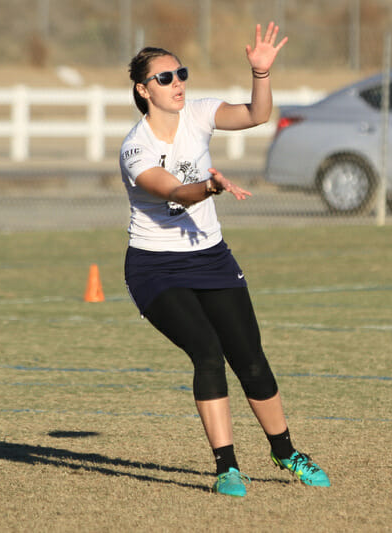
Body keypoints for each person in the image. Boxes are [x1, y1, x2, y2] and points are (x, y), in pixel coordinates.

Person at [119, 22, 329, 498]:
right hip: (155, 267)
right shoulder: (136, 146)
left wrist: (261, 73)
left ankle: (286, 452)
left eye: (181, 74)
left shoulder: (199, 113)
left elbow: (257, 113)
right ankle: (227, 468)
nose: (178, 84)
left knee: (250, 359)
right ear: (142, 89)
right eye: (166, 78)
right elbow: (171, 190)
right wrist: (209, 187)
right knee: (208, 353)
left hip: (210, 257)